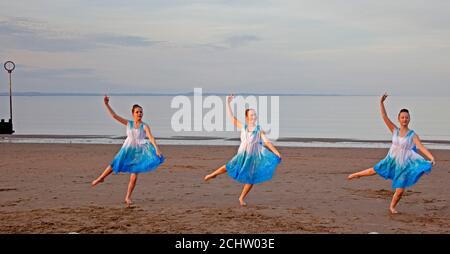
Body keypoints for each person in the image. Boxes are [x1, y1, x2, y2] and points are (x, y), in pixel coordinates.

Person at [348, 93, 436, 214]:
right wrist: (381, 102)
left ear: (409, 119)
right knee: (374, 170)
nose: (405, 119)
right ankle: (356, 175)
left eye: (407, 117)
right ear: (399, 119)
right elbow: (384, 116)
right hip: (391, 159)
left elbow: (420, 146)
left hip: (403, 165)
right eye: (402, 117)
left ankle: (392, 207)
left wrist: (431, 157)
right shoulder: (394, 130)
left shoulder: (413, 135)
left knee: (400, 191)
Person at [204, 95, 282, 207]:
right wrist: (227, 103)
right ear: (247, 117)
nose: (253, 116)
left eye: (254, 115)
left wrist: (276, 152)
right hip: (242, 154)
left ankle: (241, 198)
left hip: (253, 157)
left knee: (251, 179)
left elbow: (267, 142)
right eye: (251, 115)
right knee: (229, 166)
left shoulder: (259, 130)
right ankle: (213, 174)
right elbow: (232, 118)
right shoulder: (243, 127)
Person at [92, 95, 164, 207]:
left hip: (138, 152)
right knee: (114, 164)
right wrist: (106, 104)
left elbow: (151, 137)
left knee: (134, 176)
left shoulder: (144, 126)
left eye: (141, 112)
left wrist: (157, 149)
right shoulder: (129, 123)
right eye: (137, 112)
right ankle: (101, 178)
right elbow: (114, 116)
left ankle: (128, 197)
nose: (139, 114)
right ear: (133, 113)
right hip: (127, 149)